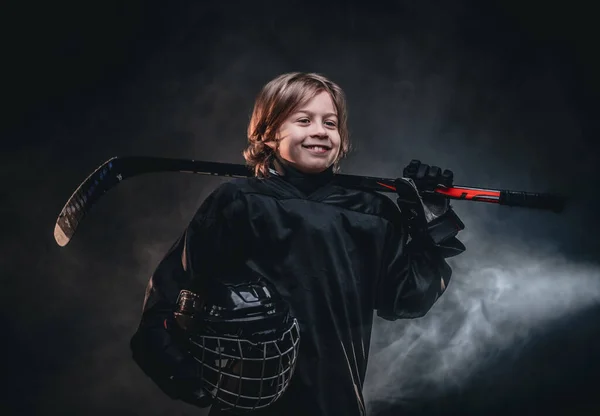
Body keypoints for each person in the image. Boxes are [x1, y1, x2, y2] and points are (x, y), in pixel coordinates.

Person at [130, 72, 466, 416]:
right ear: (269, 134)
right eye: (304, 120)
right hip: (248, 407)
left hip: (336, 404)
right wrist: (186, 377)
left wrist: (430, 223)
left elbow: (407, 299)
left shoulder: (372, 213)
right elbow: (168, 299)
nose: (320, 131)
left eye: (331, 123)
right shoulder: (239, 202)